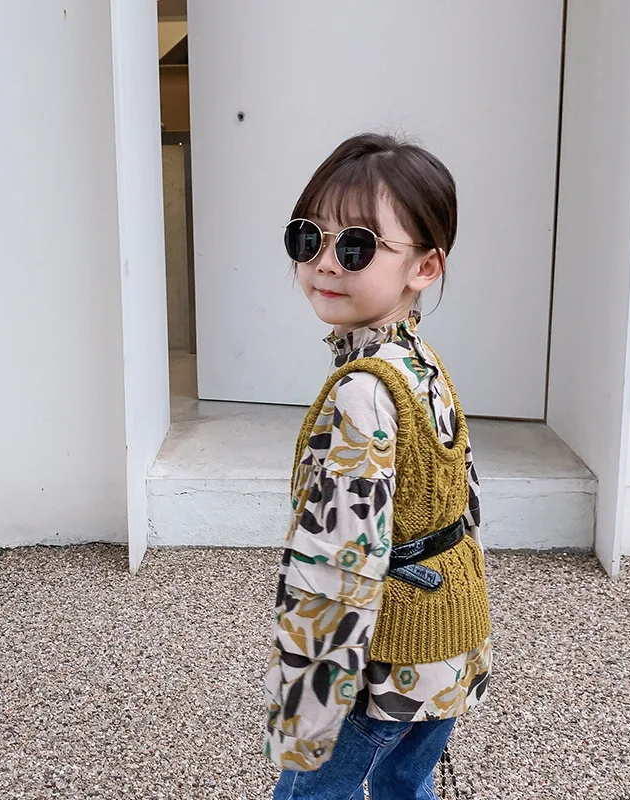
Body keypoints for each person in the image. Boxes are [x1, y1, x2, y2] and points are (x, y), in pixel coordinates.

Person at [263, 133, 493, 800]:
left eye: (357, 246)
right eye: (308, 237)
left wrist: (306, 706)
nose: (324, 263)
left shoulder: (362, 393)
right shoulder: (421, 363)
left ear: (426, 266)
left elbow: (337, 563)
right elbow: (464, 501)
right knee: (403, 786)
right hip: (446, 638)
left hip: (380, 666)